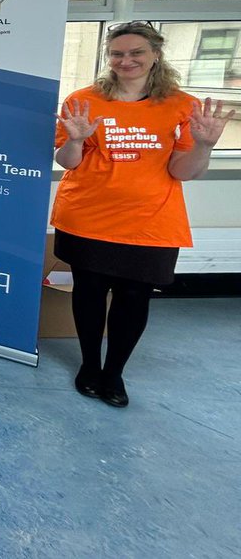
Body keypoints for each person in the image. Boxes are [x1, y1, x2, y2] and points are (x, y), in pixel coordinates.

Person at [52, 21, 234, 409]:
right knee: (89, 292)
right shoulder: (84, 100)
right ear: (108, 57)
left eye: (136, 52)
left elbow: (183, 172)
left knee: (134, 297)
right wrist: (76, 139)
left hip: (152, 220)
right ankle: (88, 365)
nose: (126, 60)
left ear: (155, 54)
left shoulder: (182, 105)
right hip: (88, 215)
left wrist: (203, 145)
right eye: (117, 53)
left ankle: (114, 372)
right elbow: (67, 162)